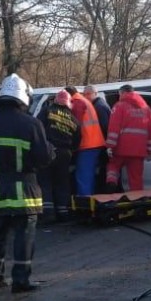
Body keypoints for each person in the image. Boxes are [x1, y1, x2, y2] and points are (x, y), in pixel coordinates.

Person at [0, 74, 54, 293]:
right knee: (23, 236)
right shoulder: (31, 124)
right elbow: (44, 157)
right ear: (23, 96)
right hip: (25, 190)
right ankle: (20, 281)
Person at [36, 90, 81, 223]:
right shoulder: (74, 119)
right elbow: (78, 140)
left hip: (49, 150)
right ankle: (63, 212)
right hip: (65, 153)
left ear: (55, 100)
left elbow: (37, 129)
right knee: (62, 182)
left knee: (45, 180)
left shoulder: (46, 111)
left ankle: (48, 213)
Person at [105, 84, 151, 192]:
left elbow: (113, 128)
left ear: (123, 93)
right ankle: (137, 199)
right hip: (138, 151)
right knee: (136, 178)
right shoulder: (146, 109)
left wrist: (110, 146)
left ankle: (111, 184)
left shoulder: (119, 106)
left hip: (121, 148)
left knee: (113, 166)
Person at [66, 85, 105, 196]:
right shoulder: (83, 101)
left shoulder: (78, 103)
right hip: (93, 143)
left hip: (87, 144)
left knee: (83, 176)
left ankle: (84, 204)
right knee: (88, 175)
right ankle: (89, 202)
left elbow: (74, 125)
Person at [83, 85, 112, 191]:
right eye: (84, 94)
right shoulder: (98, 105)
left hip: (101, 145)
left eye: (88, 94)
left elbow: (104, 128)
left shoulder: (99, 107)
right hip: (101, 145)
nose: (86, 96)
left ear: (95, 94)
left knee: (101, 172)